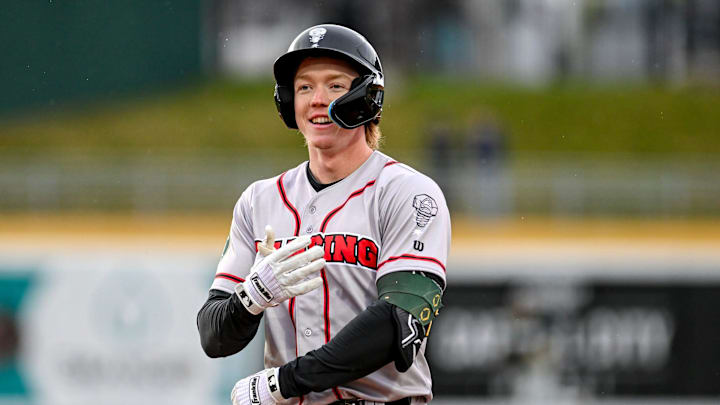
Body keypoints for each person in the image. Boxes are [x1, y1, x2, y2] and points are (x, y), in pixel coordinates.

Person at [197, 24, 451, 405]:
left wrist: (285, 382)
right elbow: (213, 336)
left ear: (367, 97)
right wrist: (251, 295)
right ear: (287, 101)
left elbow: (396, 324)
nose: (317, 100)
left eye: (335, 85)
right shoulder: (259, 200)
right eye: (304, 87)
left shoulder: (407, 192)